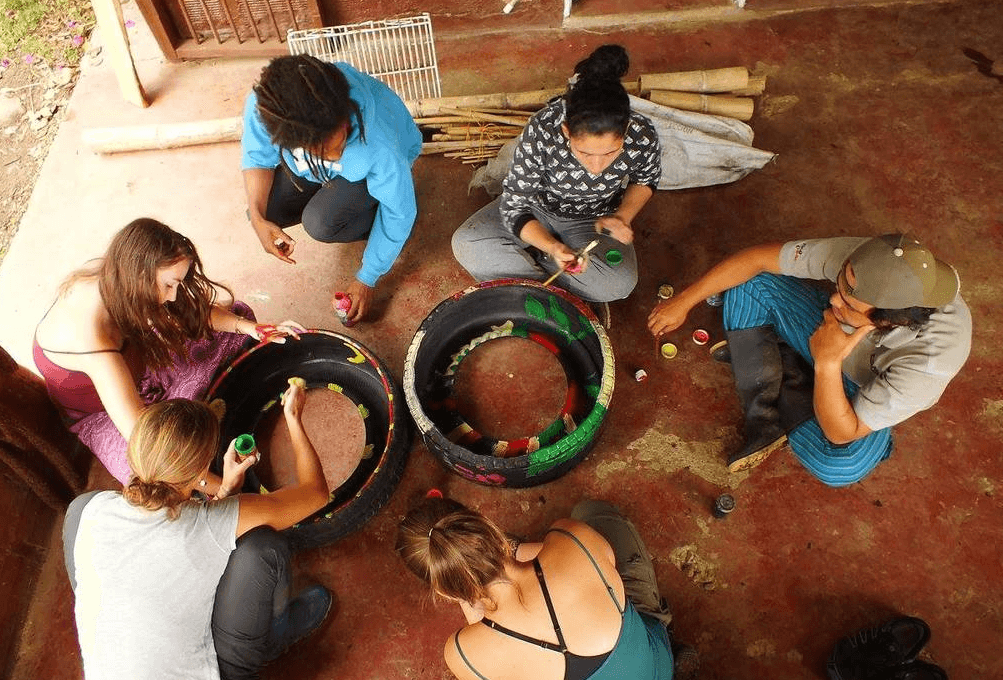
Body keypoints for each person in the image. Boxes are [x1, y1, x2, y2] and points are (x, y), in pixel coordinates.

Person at [63, 384, 332, 680]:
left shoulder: (92, 508)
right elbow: (315, 494)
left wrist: (224, 494)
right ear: (203, 469)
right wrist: (293, 418)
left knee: (79, 518)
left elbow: (184, 530)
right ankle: (274, 634)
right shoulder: (209, 524)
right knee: (261, 548)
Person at [647, 234, 971, 486]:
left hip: (860, 387)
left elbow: (842, 432)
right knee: (748, 283)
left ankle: (779, 365)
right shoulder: (867, 261)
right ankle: (767, 419)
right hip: (829, 338)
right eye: (841, 287)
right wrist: (685, 300)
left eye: (849, 303)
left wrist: (827, 363)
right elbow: (759, 258)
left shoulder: (929, 362)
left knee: (838, 465)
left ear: (889, 321)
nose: (832, 298)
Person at [33, 217, 302, 487]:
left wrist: (252, 328)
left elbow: (186, 312)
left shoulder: (123, 274)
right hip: (102, 410)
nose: (173, 296)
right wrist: (216, 486)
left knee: (235, 318)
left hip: (140, 356)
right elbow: (144, 438)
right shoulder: (92, 338)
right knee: (158, 475)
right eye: (169, 285)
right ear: (140, 276)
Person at [396, 497, 679, 680]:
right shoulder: (573, 539)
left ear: (444, 593)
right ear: (490, 528)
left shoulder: (462, 655)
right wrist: (509, 550)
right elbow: (588, 556)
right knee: (591, 512)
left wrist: (470, 594)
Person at [451, 44, 661, 311]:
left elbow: (646, 179)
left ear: (626, 129)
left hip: (594, 219)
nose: (596, 167)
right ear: (566, 130)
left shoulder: (641, 133)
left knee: (619, 284)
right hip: (536, 208)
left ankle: (531, 271)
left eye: (610, 153)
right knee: (468, 243)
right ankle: (556, 271)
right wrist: (552, 247)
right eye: (585, 153)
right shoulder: (543, 129)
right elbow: (515, 208)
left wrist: (623, 216)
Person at [241, 55, 423, 324]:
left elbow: (399, 211)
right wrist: (258, 218)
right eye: (324, 150)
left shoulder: (377, 143)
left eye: (341, 141)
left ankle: (378, 231)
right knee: (263, 210)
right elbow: (256, 159)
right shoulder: (265, 108)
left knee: (320, 224)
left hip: (365, 171)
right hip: (311, 167)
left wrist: (368, 277)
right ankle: (325, 192)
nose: (338, 155)